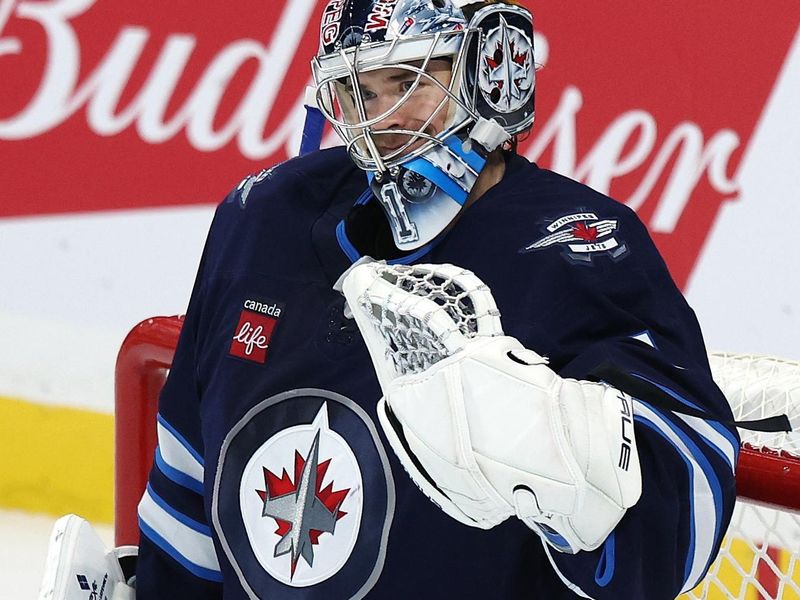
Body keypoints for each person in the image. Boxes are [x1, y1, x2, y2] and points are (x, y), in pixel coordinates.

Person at [133, 1, 740, 598]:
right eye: (359, 91)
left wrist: (558, 451)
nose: (382, 122)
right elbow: (188, 476)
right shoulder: (265, 218)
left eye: (408, 81)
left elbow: (688, 510)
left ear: (493, 74)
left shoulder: (580, 248)